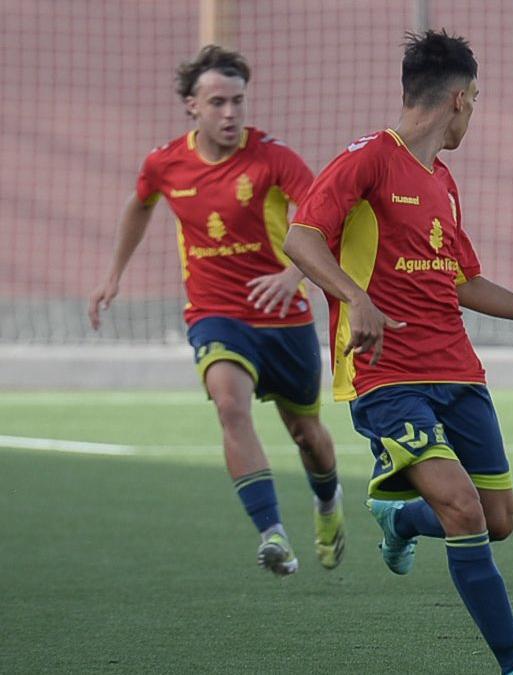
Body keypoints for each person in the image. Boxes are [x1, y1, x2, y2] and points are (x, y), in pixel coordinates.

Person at [284, 30, 513, 675]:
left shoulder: (444, 182)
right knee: (460, 507)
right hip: (385, 374)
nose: (475, 112)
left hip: (458, 373)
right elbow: (301, 239)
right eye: (477, 99)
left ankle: (400, 521)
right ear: (458, 98)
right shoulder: (368, 159)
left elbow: (462, 281)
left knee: (497, 519)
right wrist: (356, 298)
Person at [88, 45, 346, 577]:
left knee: (308, 435)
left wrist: (293, 273)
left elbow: (325, 215)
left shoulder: (274, 158)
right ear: (192, 106)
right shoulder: (164, 163)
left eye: (238, 102)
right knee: (230, 406)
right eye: (218, 103)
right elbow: (139, 205)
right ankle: (272, 533)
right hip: (215, 314)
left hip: (284, 318)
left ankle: (327, 502)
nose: (230, 113)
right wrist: (114, 274)